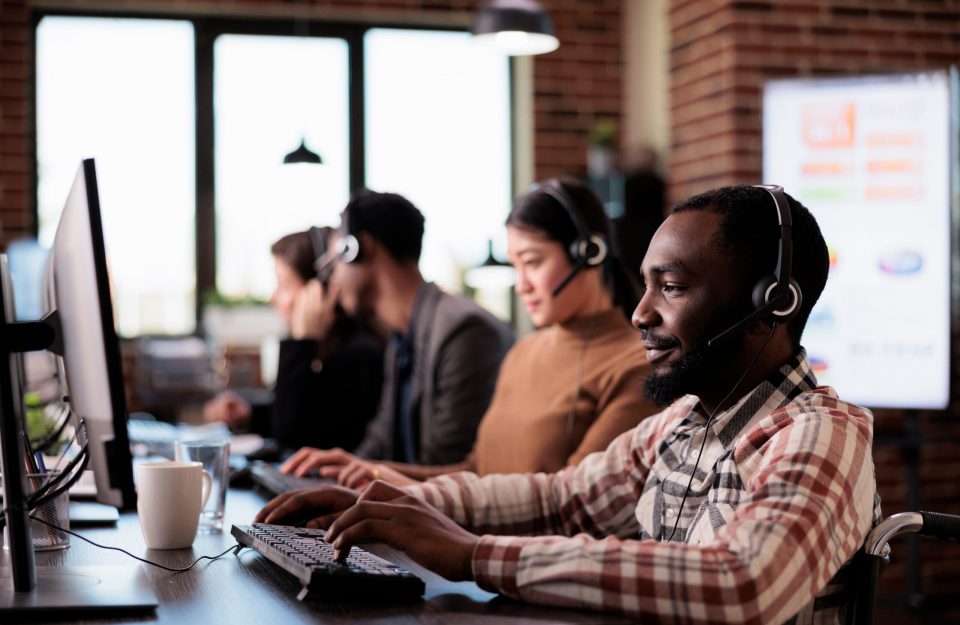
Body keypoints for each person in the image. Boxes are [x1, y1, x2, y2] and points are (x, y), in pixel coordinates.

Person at [257, 185, 880, 624]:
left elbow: (743, 583)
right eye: (645, 285)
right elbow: (561, 498)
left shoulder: (822, 436)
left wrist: (472, 555)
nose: (641, 312)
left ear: (770, 303)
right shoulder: (681, 424)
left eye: (674, 287)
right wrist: (393, 502)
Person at [309, 179, 658, 489]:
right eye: (515, 265)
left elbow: (568, 503)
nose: (521, 286)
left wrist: (405, 490)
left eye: (533, 262)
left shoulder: (633, 367)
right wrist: (369, 471)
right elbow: (475, 473)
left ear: (589, 254)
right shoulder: (524, 352)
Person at [281, 190, 514, 471]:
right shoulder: (402, 338)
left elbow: (445, 467)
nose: (333, 281)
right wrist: (339, 472)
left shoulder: (464, 332)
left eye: (334, 264)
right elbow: (378, 446)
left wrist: (366, 473)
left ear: (361, 248)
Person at [203, 228, 384, 453]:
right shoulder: (326, 350)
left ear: (320, 290)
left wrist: (301, 342)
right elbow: (309, 414)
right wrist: (249, 413)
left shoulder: (360, 357)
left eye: (284, 286)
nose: (273, 297)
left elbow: (291, 433)